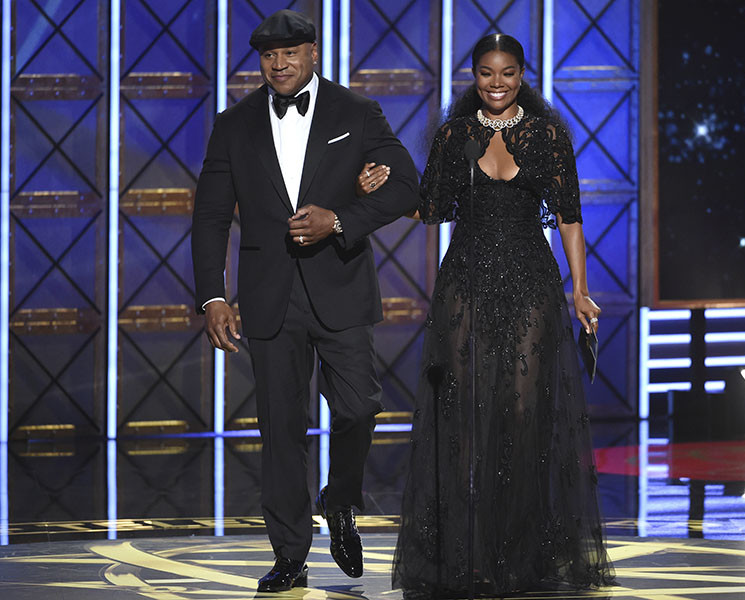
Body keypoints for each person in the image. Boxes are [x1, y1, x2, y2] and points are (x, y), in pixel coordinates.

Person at [190, 9, 418, 593]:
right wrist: (213, 295)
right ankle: (290, 554)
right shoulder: (233, 123)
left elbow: (405, 186)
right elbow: (212, 216)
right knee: (282, 431)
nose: (280, 62)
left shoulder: (356, 113)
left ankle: (339, 498)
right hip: (268, 297)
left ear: (314, 53)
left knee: (360, 407)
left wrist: (340, 218)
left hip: (339, 285)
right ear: (260, 61)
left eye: (291, 52)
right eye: (269, 55)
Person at [386, 33, 616, 597]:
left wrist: (580, 291)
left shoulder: (547, 136)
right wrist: (388, 183)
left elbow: (569, 215)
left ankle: (522, 554)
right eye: (487, 74)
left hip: (531, 285)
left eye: (508, 73)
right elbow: (432, 210)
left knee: (521, 416)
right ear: (473, 76)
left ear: (522, 76)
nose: (497, 84)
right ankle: (471, 557)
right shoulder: (454, 136)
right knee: (465, 422)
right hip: (465, 284)